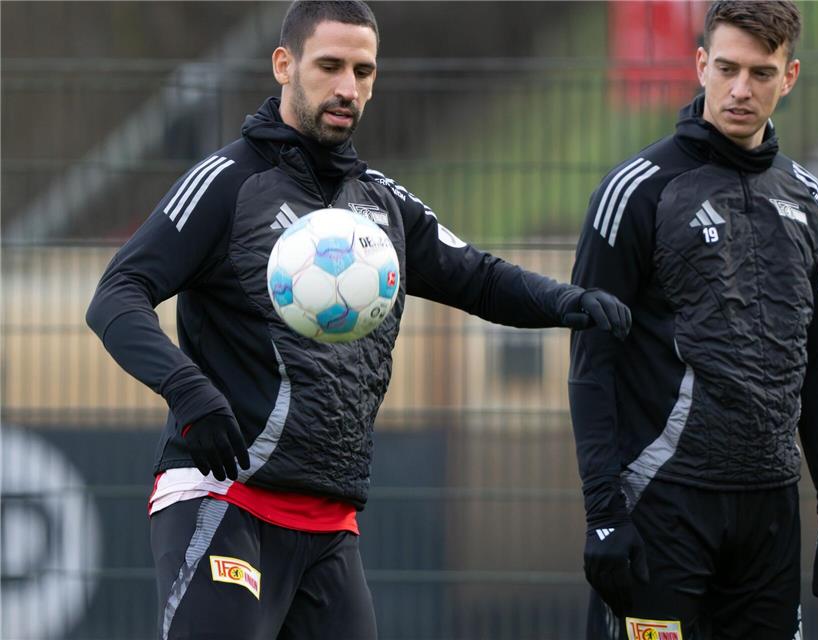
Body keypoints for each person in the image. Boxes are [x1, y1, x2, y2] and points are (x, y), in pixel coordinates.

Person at [85, 2, 630, 639]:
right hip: (224, 499)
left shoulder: (381, 203)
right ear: (283, 65)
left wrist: (568, 301)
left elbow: (477, 276)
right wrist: (188, 391)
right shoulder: (227, 183)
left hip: (329, 522)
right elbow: (116, 294)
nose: (348, 87)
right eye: (330, 66)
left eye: (363, 70)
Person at [568, 2, 818, 638]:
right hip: (664, 509)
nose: (739, 89)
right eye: (726, 68)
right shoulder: (636, 190)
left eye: (761, 73)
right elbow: (591, 370)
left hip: (770, 519)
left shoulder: (810, 203)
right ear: (700, 64)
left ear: (790, 77)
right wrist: (602, 514)